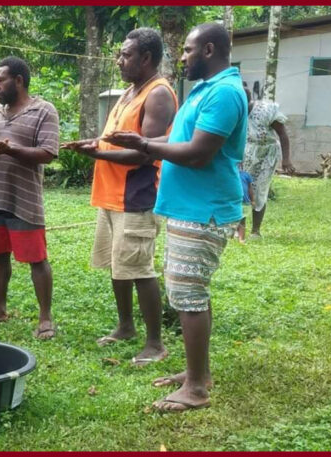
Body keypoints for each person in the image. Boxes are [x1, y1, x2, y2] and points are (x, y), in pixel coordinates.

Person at [105, 23, 248, 412]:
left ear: (209, 50)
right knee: (191, 293)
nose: (181, 57)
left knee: (188, 295)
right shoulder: (205, 90)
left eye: (187, 50)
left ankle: (196, 389)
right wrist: (143, 143)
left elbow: (199, 152)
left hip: (204, 210)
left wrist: (146, 145)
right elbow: (179, 139)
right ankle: (195, 372)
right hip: (189, 208)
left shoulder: (224, 93)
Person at [61, 28, 177, 365]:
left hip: (137, 196)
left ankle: (155, 343)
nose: (119, 60)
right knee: (118, 266)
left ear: (146, 58)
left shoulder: (157, 94)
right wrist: (94, 145)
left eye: (126, 55)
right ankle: (125, 326)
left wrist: (97, 156)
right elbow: (117, 140)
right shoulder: (129, 92)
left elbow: (145, 153)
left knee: (140, 270)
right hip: (111, 196)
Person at [0, 56, 59, 340]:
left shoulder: (43, 110)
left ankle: (45, 318)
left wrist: (10, 149)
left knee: (37, 258)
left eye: (0, 80)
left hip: (26, 199)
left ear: (18, 80)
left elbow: (48, 152)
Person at [242, 88, 294, 239]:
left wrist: (286, 159)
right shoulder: (235, 113)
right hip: (244, 153)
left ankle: (255, 231)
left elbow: (283, 135)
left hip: (267, 154)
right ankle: (240, 229)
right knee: (242, 189)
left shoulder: (266, 110)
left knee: (260, 189)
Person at [236, 164, 255, 243]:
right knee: (233, 220)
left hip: (244, 202)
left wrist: (252, 200)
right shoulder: (229, 175)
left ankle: (241, 239)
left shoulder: (245, 175)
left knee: (242, 221)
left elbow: (250, 189)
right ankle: (235, 233)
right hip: (233, 202)